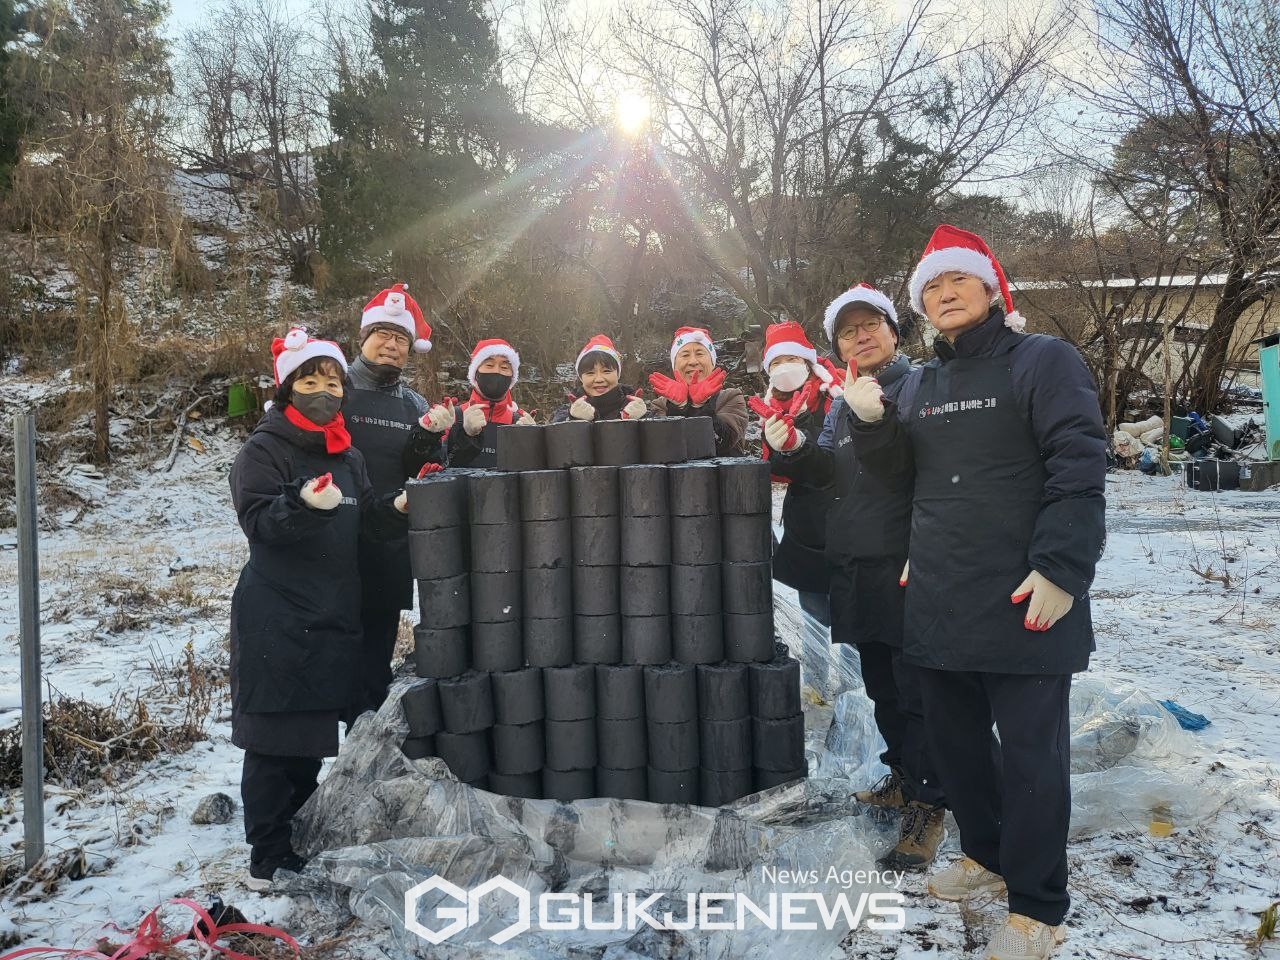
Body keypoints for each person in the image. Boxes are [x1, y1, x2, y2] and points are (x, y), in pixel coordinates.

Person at [846, 226, 1107, 960]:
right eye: (931, 287)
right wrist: (871, 427)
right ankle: (988, 856)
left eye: (958, 280)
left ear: (992, 290)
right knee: (958, 751)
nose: (944, 293)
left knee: (1030, 757)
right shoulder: (924, 384)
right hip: (939, 593)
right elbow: (903, 481)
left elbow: (1078, 463)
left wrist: (1063, 567)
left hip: (1028, 591)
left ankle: (1037, 905)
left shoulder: (1043, 361)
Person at [765, 288, 947, 872]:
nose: (860, 337)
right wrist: (792, 450)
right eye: (848, 332)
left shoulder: (920, 387)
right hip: (856, 561)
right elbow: (832, 470)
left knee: (918, 689)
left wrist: (924, 548)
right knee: (883, 685)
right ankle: (902, 774)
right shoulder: (844, 400)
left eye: (872, 326)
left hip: (903, 562)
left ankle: (929, 805)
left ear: (896, 332)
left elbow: (933, 474)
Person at [229, 329, 409, 889]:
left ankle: (296, 839)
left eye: (333, 382)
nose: (325, 391)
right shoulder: (263, 450)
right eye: (310, 380)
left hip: (331, 613)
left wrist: (398, 506)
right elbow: (259, 522)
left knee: (308, 737)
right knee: (274, 737)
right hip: (277, 616)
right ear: (287, 389)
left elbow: (367, 520)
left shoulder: (347, 454)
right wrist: (301, 503)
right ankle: (267, 854)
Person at [343, 283, 443, 717]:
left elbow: (429, 470)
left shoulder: (414, 404)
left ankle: (358, 764)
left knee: (370, 667)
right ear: (363, 338)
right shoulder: (333, 388)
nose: (392, 344)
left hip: (387, 550)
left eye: (401, 338)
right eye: (383, 333)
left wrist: (430, 438)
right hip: (334, 546)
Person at [747, 320, 843, 627]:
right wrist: (778, 445)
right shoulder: (770, 408)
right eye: (776, 362)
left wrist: (800, 441)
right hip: (805, 524)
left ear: (807, 360)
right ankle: (816, 677)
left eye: (792, 359)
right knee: (814, 616)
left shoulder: (836, 391)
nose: (784, 367)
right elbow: (774, 471)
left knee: (852, 620)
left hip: (845, 515)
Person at [407, 338, 535, 469]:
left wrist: (535, 446)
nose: (497, 371)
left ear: (512, 377)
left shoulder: (520, 423)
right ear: (476, 373)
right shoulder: (451, 417)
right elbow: (426, 468)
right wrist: (428, 433)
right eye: (489, 365)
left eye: (504, 367)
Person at [648, 326, 747, 455]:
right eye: (685, 355)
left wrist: (700, 408)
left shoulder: (731, 397)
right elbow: (662, 447)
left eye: (700, 353)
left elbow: (725, 442)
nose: (693, 361)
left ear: (712, 363)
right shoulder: (660, 405)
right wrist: (679, 407)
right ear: (674, 366)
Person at [551, 334, 648, 423]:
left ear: (618, 374)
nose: (599, 379)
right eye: (590, 373)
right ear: (581, 378)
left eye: (606, 371)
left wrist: (643, 419)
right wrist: (574, 420)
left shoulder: (637, 407)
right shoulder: (564, 413)